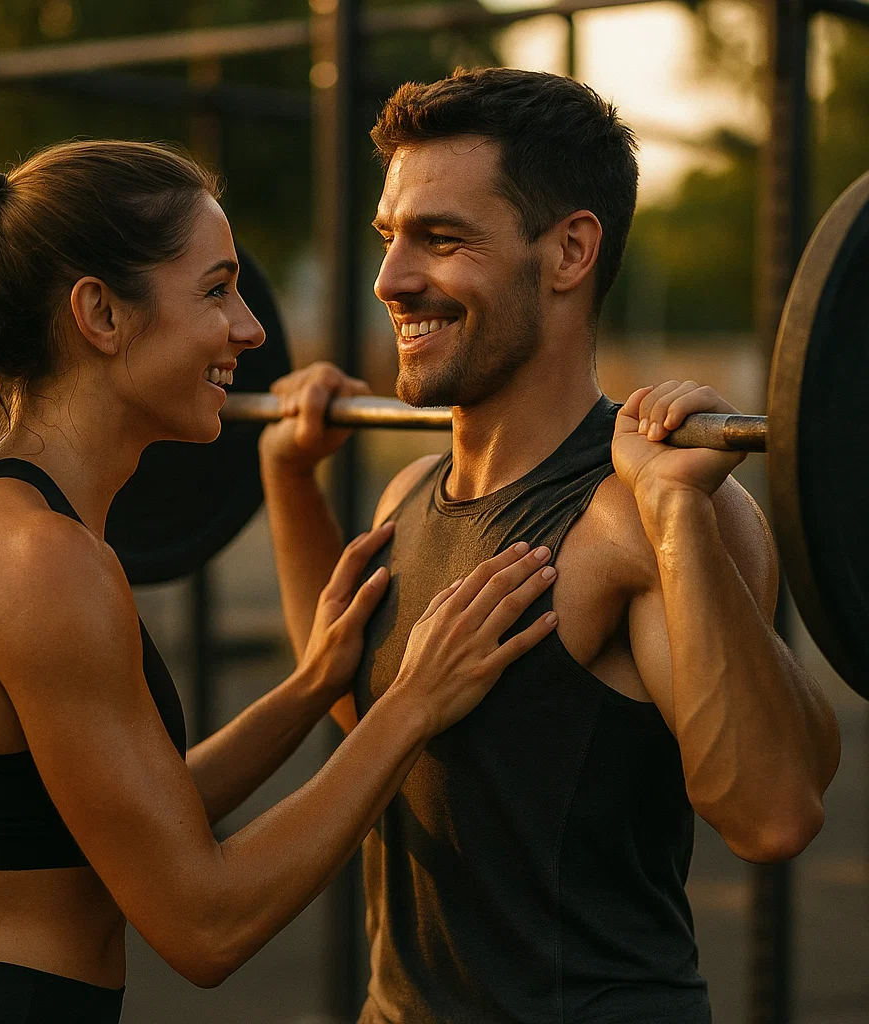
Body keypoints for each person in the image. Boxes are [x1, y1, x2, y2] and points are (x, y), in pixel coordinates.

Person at [0, 139, 563, 1024]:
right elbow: (205, 924)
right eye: (217, 291)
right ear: (100, 314)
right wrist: (413, 703)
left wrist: (312, 687)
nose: (252, 330)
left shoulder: (18, 526)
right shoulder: (38, 560)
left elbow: (144, 818)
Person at [258, 69, 842, 1023]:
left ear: (570, 251)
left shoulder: (636, 515)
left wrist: (678, 516)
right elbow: (370, 717)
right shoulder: (410, 494)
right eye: (390, 236)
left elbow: (773, 812)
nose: (390, 279)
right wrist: (289, 480)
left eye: (441, 239)